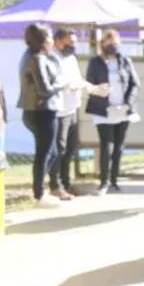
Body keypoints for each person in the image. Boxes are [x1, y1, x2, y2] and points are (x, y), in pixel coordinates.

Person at [17, 23, 68, 208]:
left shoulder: (32, 56)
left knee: (52, 152)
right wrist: (62, 83)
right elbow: (45, 89)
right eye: (49, 38)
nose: (52, 41)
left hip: (37, 111)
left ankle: (39, 189)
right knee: (44, 153)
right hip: (42, 111)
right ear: (43, 40)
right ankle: (38, 194)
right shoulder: (36, 58)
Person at [86, 29, 141, 195]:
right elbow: (89, 85)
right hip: (104, 111)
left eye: (115, 44)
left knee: (118, 147)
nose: (112, 47)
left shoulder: (124, 61)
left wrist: (127, 104)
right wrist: (98, 90)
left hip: (123, 110)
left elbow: (135, 84)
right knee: (106, 146)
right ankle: (104, 182)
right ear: (103, 44)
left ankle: (114, 182)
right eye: (109, 44)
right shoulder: (95, 62)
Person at [48, 28, 92, 199]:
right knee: (59, 148)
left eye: (75, 42)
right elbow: (57, 82)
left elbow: (77, 79)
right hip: (59, 110)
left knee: (71, 148)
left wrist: (91, 87)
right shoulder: (52, 58)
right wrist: (70, 85)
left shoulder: (71, 58)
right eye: (70, 42)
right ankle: (55, 185)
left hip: (73, 107)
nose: (74, 46)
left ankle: (66, 183)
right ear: (59, 41)